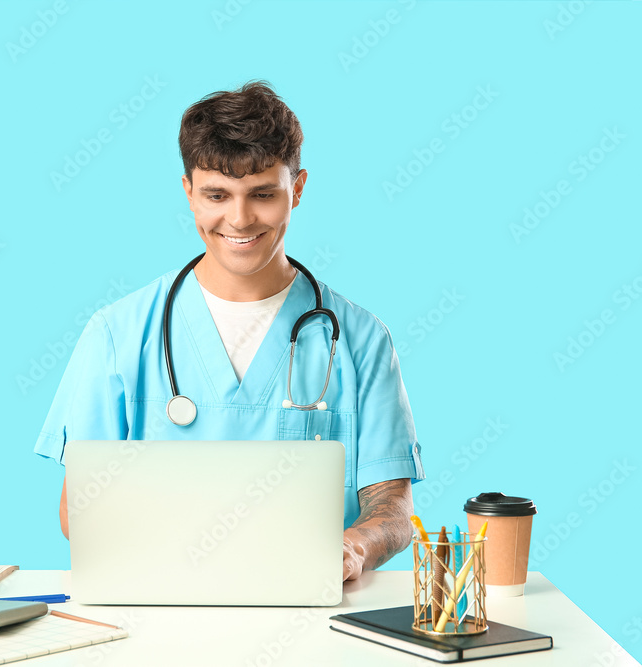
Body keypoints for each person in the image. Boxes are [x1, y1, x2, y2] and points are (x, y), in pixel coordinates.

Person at [34, 80, 425, 581]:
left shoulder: (360, 339)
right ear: (188, 192)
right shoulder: (118, 334)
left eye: (262, 194)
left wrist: (353, 547)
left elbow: (392, 511)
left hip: (312, 608)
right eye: (217, 195)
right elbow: (78, 514)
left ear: (297, 190)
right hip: (158, 605)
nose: (239, 219)